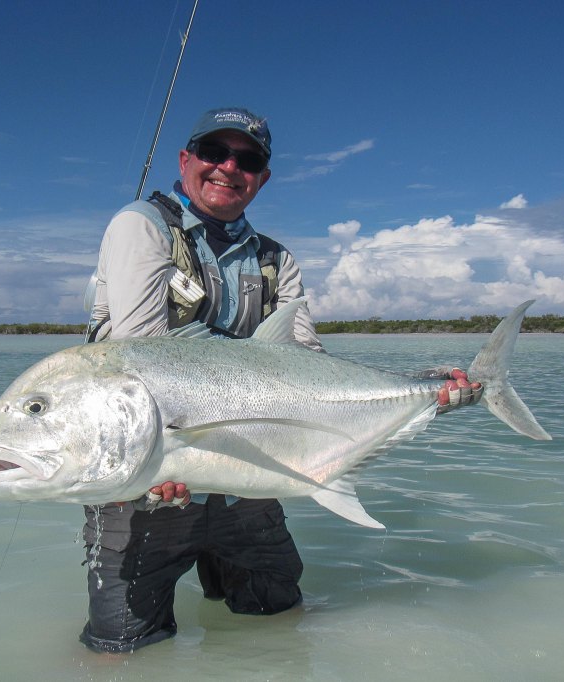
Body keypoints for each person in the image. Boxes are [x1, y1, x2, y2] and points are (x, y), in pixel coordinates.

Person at [80, 106, 480, 653]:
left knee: (275, 627)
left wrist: (424, 389)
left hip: (255, 480)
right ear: (185, 159)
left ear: (262, 178)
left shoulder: (276, 259)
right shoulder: (141, 227)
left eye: (246, 160)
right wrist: (151, 461)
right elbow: (143, 358)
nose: (228, 167)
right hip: (151, 486)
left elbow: (309, 365)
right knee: (124, 650)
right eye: (214, 152)